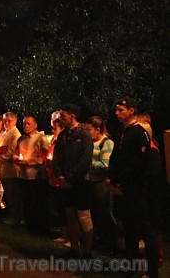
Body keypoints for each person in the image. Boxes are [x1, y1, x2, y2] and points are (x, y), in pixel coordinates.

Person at [107, 97, 159, 278]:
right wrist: (112, 178)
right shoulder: (124, 132)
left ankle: (152, 272)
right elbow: (116, 158)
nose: (117, 113)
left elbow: (136, 164)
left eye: (121, 109)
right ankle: (131, 265)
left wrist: (117, 180)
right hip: (123, 187)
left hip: (135, 188)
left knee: (144, 229)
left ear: (131, 110)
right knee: (129, 229)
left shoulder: (138, 132)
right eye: (117, 110)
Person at [52, 104, 93, 258]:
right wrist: (59, 176)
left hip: (81, 183)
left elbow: (84, 161)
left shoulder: (84, 135)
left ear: (73, 116)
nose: (60, 118)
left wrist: (70, 178)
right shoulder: (63, 136)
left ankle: (88, 252)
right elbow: (56, 158)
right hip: (65, 183)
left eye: (63, 116)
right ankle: (74, 249)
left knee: (84, 218)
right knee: (70, 216)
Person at [84, 116, 117, 252]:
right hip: (90, 181)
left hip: (101, 184)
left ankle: (111, 241)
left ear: (98, 130)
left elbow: (105, 164)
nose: (87, 133)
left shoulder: (107, 143)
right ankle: (100, 239)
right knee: (95, 213)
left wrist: (86, 164)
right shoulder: (91, 142)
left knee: (105, 213)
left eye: (89, 130)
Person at [14, 115, 49, 233]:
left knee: (38, 202)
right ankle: (29, 225)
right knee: (27, 201)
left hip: (37, 176)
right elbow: (16, 152)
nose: (26, 126)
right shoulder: (21, 139)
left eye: (29, 123)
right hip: (24, 175)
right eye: (24, 123)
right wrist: (16, 159)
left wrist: (28, 162)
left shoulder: (41, 138)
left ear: (35, 125)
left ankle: (40, 227)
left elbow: (43, 157)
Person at [0, 112, 21, 225]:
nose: (6, 123)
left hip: (11, 168)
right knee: (8, 192)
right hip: (4, 168)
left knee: (13, 193)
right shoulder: (5, 132)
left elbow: (10, 152)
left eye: (9, 121)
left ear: (14, 122)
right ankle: (10, 213)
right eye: (4, 120)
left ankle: (16, 216)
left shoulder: (14, 134)